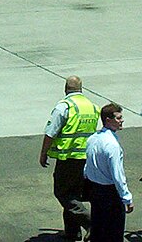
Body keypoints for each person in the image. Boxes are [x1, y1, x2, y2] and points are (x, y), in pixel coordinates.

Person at [40, 76, 100, 241]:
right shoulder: (93, 107)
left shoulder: (64, 106)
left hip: (69, 157)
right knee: (74, 193)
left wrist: (43, 152)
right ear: (82, 89)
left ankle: (91, 223)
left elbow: (50, 132)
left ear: (66, 89)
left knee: (63, 192)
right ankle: (72, 232)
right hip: (86, 157)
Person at [84, 103, 133, 242]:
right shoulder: (112, 145)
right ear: (108, 120)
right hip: (110, 194)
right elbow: (118, 175)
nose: (121, 120)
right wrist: (127, 198)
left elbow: (87, 166)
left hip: (95, 190)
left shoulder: (93, 138)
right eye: (118, 118)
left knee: (98, 229)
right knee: (114, 232)